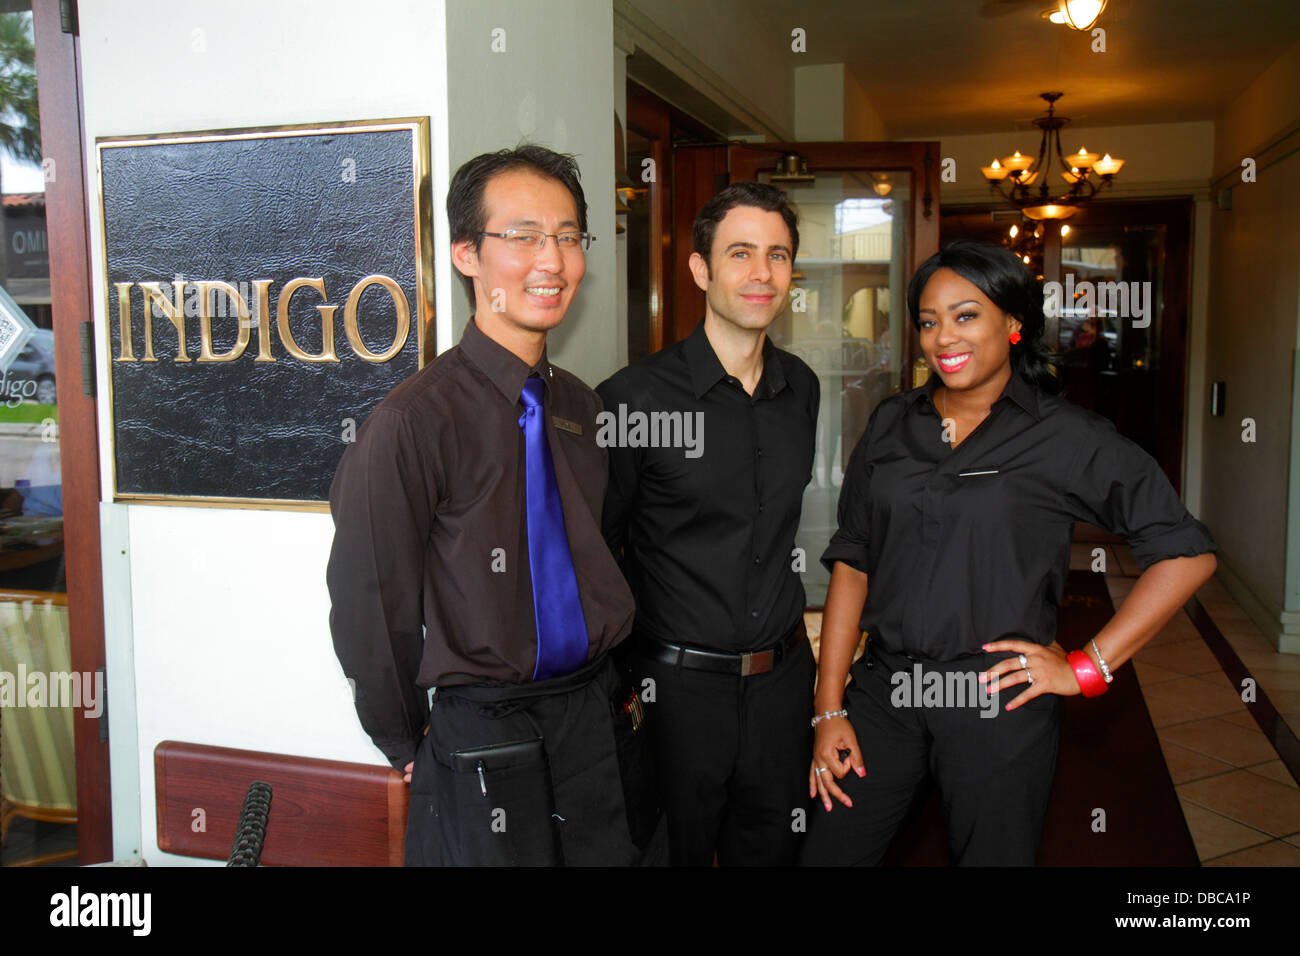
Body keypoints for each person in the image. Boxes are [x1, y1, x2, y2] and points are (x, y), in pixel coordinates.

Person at [801, 239, 1217, 866]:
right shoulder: (891, 422)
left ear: (1014, 324)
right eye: (928, 320)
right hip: (884, 692)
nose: (944, 336)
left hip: (995, 698)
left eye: (966, 315)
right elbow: (855, 560)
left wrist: (1087, 667)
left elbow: (1186, 552)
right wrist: (828, 705)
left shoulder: (1065, 437)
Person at [326, 144, 662, 866]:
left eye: (569, 236)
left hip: (594, 720)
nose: (553, 259)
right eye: (523, 236)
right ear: (466, 255)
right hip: (484, 731)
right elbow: (370, 600)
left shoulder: (577, 405)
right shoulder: (414, 421)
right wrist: (406, 737)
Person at [597, 181, 819, 865]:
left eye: (778, 255)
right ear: (701, 269)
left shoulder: (802, 388)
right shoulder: (632, 399)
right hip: (675, 696)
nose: (762, 274)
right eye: (741, 253)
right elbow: (603, 552)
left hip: (782, 687)